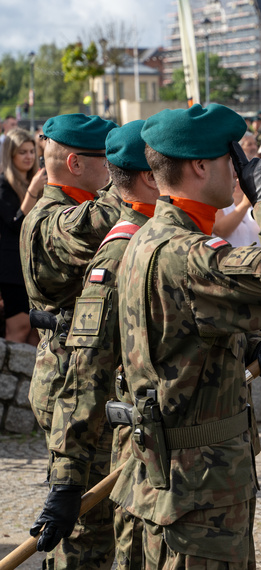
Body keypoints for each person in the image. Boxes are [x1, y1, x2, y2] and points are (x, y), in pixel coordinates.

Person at [112, 103, 261, 567]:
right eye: (232, 161)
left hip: (183, 482)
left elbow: (172, 335)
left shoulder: (148, 237)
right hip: (197, 493)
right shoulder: (189, 253)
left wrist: (247, 347)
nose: (239, 171)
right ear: (200, 166)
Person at [42, 120, 159, 570]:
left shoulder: (156, 237)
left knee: (115, 533)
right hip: (83, 398)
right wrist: (66, 478)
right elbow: (89, 363)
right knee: (87, 541)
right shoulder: (98, 235)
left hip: (126, 410)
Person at [22, 113, 120, 567]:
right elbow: (101, 218)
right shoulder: (52, 219)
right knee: (86, 529)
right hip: (71, 386)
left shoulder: (74, 206)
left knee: (104, 518)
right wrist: (143, 173)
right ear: (77, 163)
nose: (116, 169)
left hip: (88, 380)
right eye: (110, 160)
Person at [0, 128, 46, 344]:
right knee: (17, 332)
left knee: (36, 333)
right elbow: (16, 223)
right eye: (22, 152)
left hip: (35, 267)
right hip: (13, 270)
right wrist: (33, 190)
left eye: (31, 151)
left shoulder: (35, 182)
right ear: (10, 156)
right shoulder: (3, 185)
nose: (29, 157)